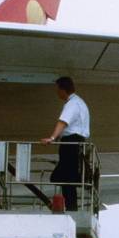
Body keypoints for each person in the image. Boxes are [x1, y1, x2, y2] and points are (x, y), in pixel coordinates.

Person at [40, 76, 90, 210]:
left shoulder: (72, 104)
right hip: (77, 142)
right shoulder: (79, 102)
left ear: (63, 89)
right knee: (67, 176)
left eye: (57, 89)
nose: (57, 92)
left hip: (71, 142)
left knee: (64, 177)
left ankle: (71, 207)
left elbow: (63, 121)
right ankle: (71, 206)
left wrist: (52, 137)